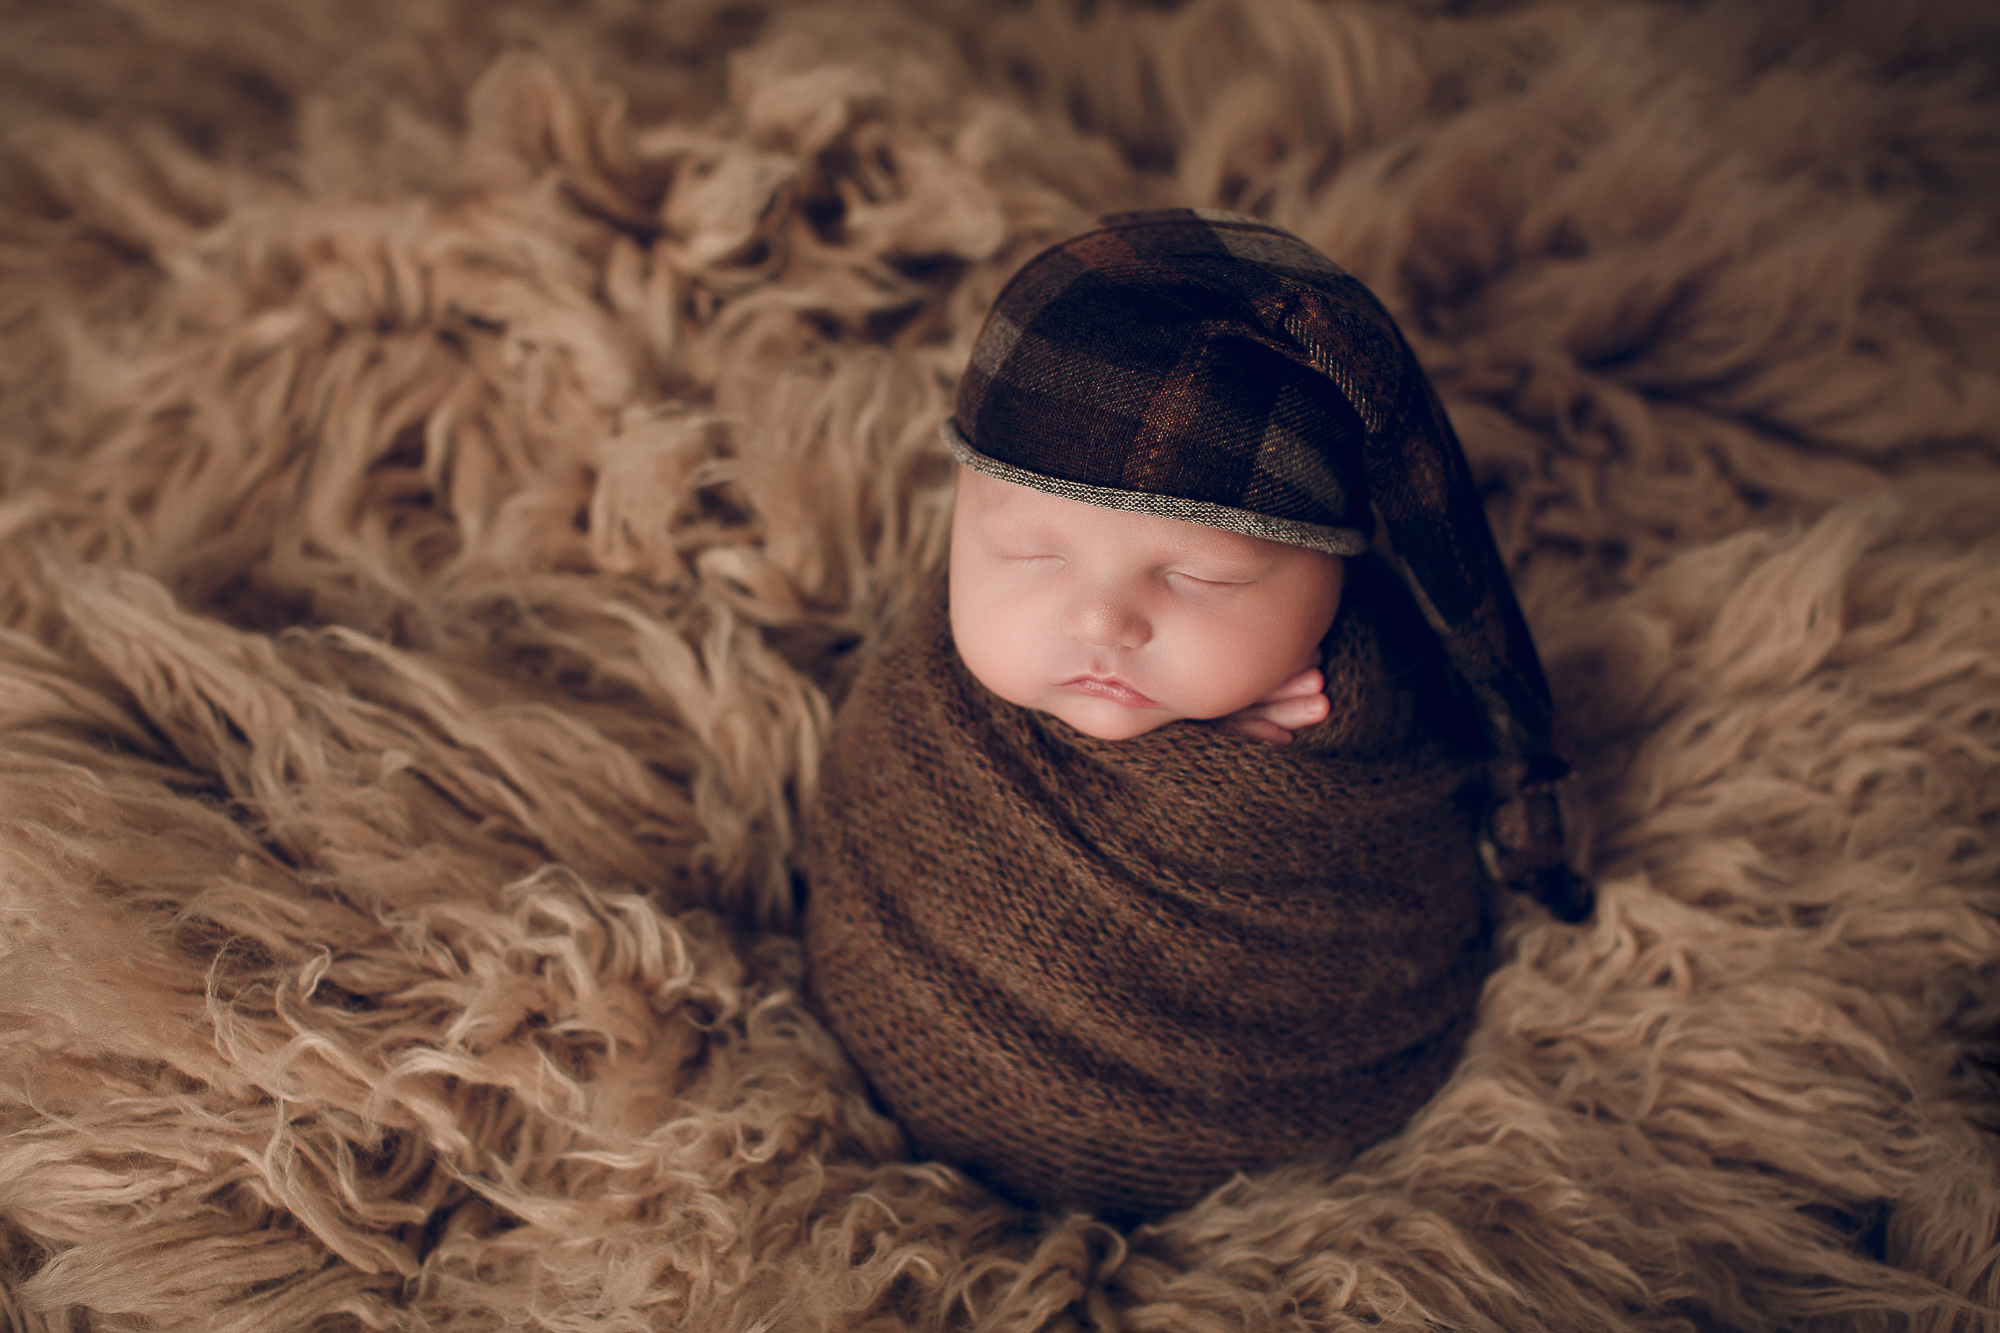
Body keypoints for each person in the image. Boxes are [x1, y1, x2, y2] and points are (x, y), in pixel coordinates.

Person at [800, 209, 1591, 1221]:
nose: (1098, 619)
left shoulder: (1376, 697)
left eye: (1198, 574)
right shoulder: (933, 702)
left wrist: (1257, 783)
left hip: (1249, 1103)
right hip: (915, 1007)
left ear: (1333, 569)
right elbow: (876, 787)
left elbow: (1390, 843)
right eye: (1029, 554)